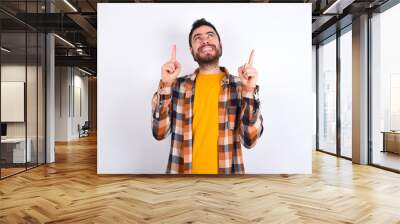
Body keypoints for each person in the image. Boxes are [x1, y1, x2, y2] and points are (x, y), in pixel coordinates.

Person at [151, 18, 263, 174]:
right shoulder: (175, 86)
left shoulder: (240, 87)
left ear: (220, 44)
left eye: (210, 35)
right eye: (197, 38)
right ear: (191, 51)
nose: (204, 40)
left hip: (226, 186)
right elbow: (159, 133)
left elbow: (250, 141)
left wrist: (249, 90)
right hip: (182, 184)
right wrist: (166, 85)